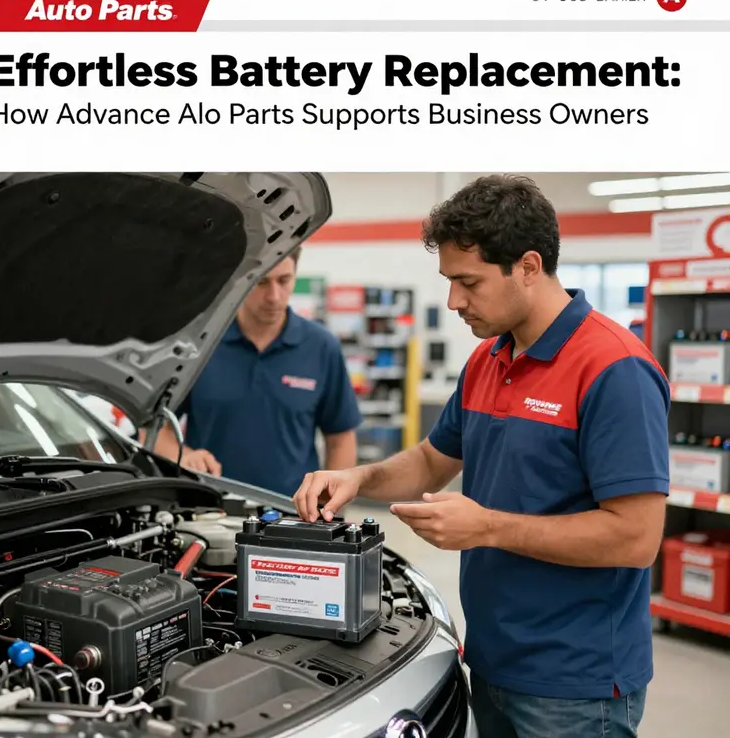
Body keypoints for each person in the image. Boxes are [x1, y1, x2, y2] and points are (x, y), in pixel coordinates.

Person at [293, 174, 670, 738]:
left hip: (575, 682)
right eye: (449, 281)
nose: (453, 301)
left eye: (468, 282)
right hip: (491, 658)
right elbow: (429, 462)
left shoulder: (614, 370)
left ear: (528, 266)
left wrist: (486, 527)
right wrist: (357, 476)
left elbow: (636, 538)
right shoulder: (489, 360)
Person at [153, 247, 362, 498]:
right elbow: (155, 430)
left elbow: (340, 438)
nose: (274, 296)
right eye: (261, 282)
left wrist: (329, 508)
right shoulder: (199, 345)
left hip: (292, 517)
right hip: (210, 513)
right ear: (239, 281)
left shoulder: (322, 347)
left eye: (284, 281)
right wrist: (184, 457)